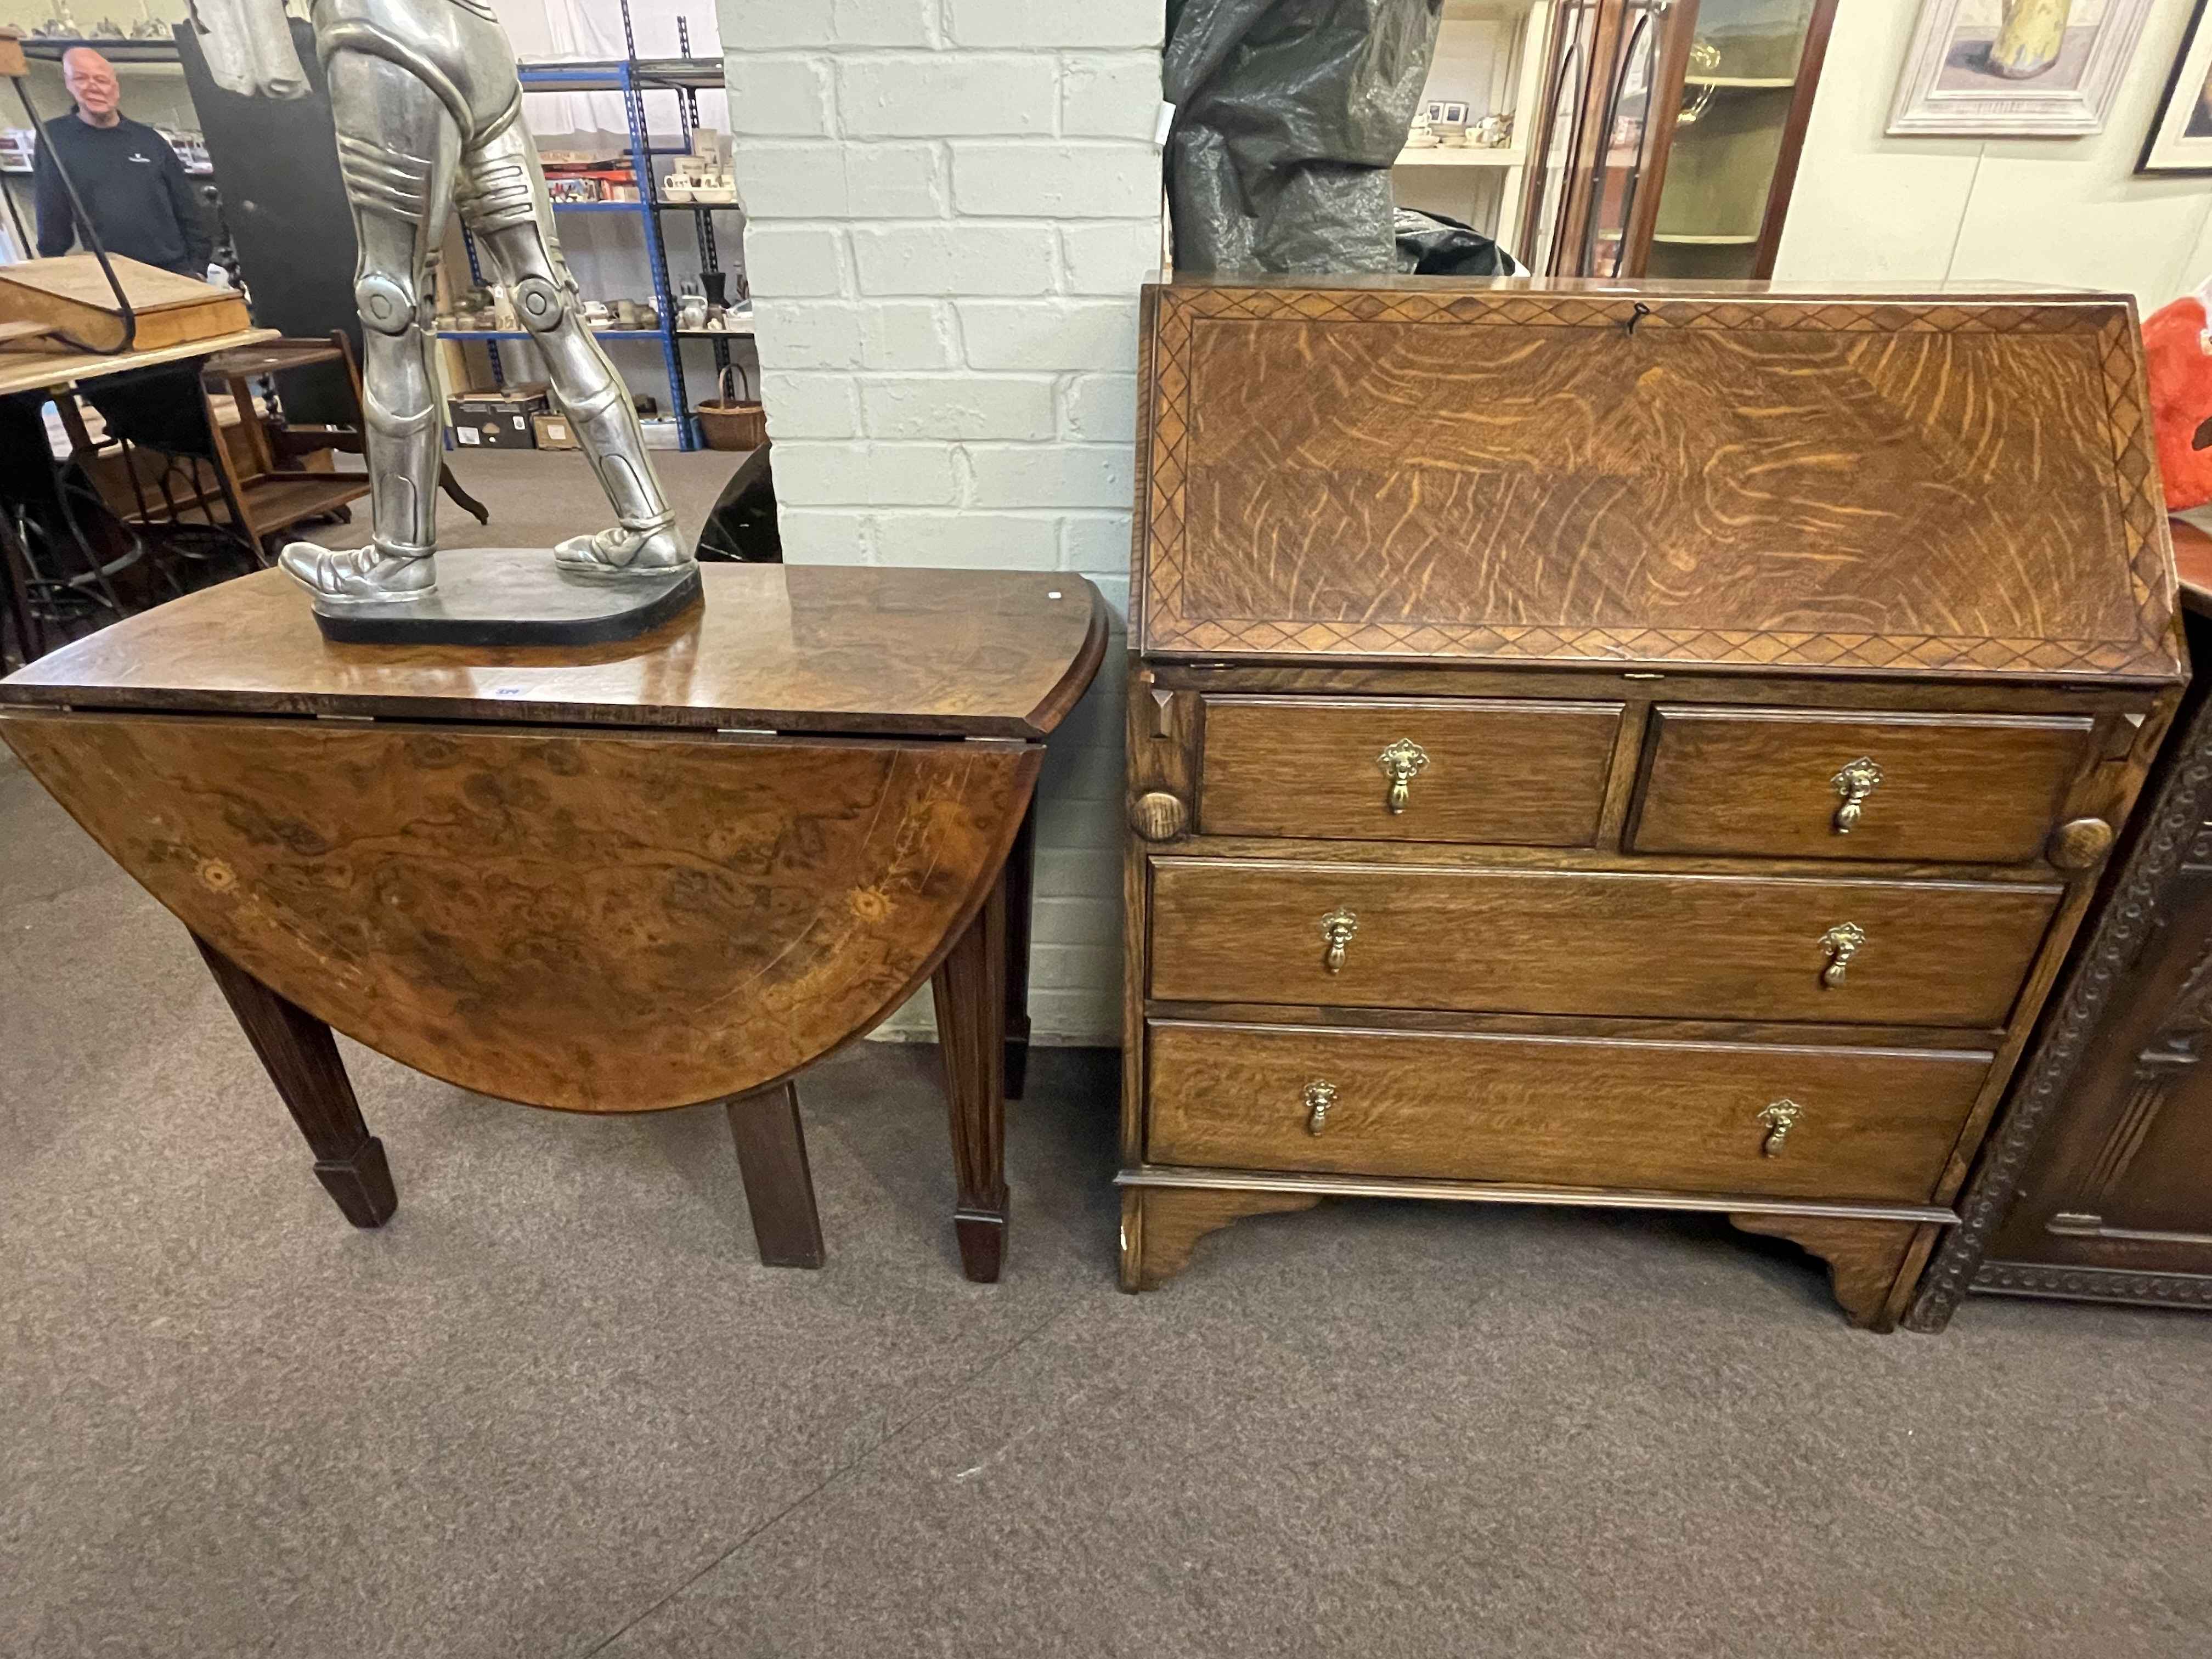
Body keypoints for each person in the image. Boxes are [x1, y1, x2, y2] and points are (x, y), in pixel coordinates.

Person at [32, 47, 212, 278]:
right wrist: (53, 268)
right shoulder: (54, 138)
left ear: (115, 87)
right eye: (81, 79)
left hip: (173, 270)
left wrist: (198, 268)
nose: (93, 87)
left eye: (101, 79)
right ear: (68, 84)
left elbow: (188, 210)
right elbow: (51, 212)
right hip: (112, 277)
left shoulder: (150, 140)